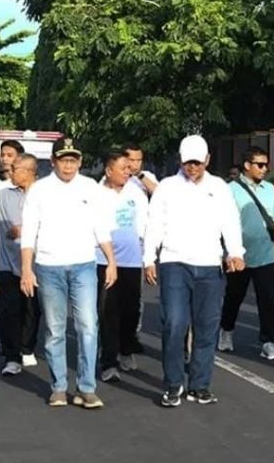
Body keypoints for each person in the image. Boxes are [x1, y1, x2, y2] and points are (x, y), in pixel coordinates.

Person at [143, 135, 245, 407]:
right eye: (188, 162)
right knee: (174, 324)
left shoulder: (219, 187)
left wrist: (235, 251)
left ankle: (199, 385)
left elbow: (230, 221)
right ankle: (173, 384)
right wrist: (149, 258)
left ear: (207, 160)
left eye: (198, 163)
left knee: (207, 327)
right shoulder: (167, 187)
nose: (193, 167)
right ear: (180, 160)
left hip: (210, 265)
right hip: (175, 262)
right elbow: (155, 223)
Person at [21, 137, 117, 409]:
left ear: (80, 162)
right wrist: (26, 269)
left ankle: (87, 387)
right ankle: (59, 387)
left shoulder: (90, 188)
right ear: (53, 161)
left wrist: (111, 261)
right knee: (55, 329)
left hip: (84, 265)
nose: (68, 165)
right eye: (63, 160)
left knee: (88, 325)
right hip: (49, 267)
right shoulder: (39, 190)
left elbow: (101, 228)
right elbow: (29, 232)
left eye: (73, 160)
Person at [219, 146, 274, 360]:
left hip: (266, 254)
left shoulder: (270, 189)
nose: (264, 169)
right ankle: (226, 331)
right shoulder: (230, 189)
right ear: (247, 165)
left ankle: (269, 342)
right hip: (239, 256)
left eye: (266, 165)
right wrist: (228, 253)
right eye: (259, 165)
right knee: (234, 296)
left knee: (267, 300)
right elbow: (224, 223)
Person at [97, 150, 149, 382]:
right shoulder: (97, 193)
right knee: (108, 311)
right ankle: (109, 362)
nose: (128, 172)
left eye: (129, 168)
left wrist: (148, 255)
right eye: (123, 168)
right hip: (104, 261)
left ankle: (126, 350)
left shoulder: (136, 192)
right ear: (109, 171)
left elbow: (145, 223)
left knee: (131, 310)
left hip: (132, 261)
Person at [0, 153, 42, 376]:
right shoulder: (2, 195)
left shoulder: (45, 195)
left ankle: (27, 347)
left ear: (29, 171)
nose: (10, 172)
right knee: (9, 311)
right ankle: (11, 356)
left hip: (36, 264)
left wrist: (26, 229)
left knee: (32, 310)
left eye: (15, 169)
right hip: (7, 263)